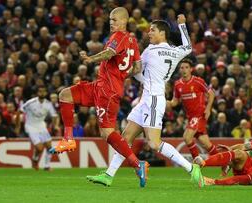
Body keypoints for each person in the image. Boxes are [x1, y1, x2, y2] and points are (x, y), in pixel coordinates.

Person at [87, 15, 204, 188]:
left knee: (154, 143)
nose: (149, 33)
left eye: (152, 30)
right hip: (148, 99)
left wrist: (121, 72)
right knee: (125, 137)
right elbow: (187, 47)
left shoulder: (150, 50)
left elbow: (137, 69)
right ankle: (108, 175)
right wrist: (182, 25)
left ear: (162, 33)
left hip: (154, 100)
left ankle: (190, 168)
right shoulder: (175, 51)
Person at [50, 7, 149, 187]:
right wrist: (120, 76)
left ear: (124, 21)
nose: (111, 23)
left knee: (107, 133)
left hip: (107, 92)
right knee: (65, 95)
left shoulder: (117, 37)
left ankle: (138, 164)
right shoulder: (132, 40)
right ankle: (68, 139)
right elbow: (138, 67)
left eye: (115, 20)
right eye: (110, 20)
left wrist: (90, 59)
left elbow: (109, 53)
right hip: (101, 86)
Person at [167, 59, 217, 159]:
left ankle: (196, 164)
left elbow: (211, 93)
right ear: (179, 70)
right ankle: (225, 162)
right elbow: (175, 101)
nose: (184, 69)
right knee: (206, 143)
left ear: (191, 69)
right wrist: (165, 102)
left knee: (187, 137)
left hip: (199, 115)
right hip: (191, 117)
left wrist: (208, 109)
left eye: (186, 67)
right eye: (182, 68)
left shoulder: (198, 81)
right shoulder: (177, 84)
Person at [16, 86, 59, 171]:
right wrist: (18, 126)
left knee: (49, 147)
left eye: (43, 92)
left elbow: (54, 116)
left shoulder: (48, 104)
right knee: (39, 148)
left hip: (42, 126)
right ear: (37, 93)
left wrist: (55, 125)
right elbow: (19, 112)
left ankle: (47, 166)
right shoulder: (31, 103)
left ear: (46, 93)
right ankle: (35, 160)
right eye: (40, 91)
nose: (42, 93)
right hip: (31, 126)